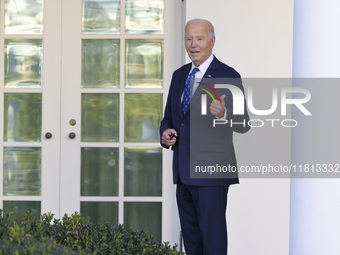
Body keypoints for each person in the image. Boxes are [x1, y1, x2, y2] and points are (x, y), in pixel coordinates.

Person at [159, 19, 250, 255]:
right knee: (192, 240)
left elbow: (243, 124)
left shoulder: (228, 75)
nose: (193, 44)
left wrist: (224, 114)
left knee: (213, 240)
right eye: (189, 39)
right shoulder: (179, 75)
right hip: (183, 171)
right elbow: (169, 118)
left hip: (212, 173)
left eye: (199, 38)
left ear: (212, 41)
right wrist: (165, 134)